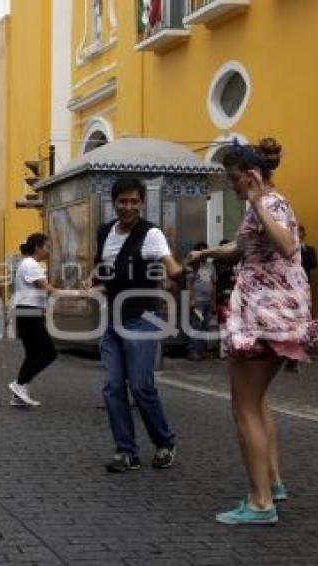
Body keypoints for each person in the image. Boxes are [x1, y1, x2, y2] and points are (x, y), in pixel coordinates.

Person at [187, 138, 318, 526]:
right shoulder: (261, 208)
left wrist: (258, 202)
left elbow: (286, 245)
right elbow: (244, 248)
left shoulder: (272, 203)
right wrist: (208, 254)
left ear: (249, 176)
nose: (231, 187)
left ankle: (260, 502)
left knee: (243, 407)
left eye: (233, 180)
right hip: (267, 315)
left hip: (265, 318)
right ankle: (273, 482)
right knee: (257, 401)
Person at [82, 177, 182, 473]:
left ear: (141, 203)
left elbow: (170, 264)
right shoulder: (105, 232)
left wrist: (179, 272)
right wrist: (93, 278)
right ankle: (126, 451)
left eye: (134, 201)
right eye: (122, 201)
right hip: (113, 319)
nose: (128, 207)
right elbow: (103, 264)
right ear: (114, 202)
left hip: (142, 318)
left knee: (140, 386)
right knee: (113, 387)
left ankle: (165, 442)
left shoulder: (151, 235)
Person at [8, 233, 60, 408]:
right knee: (49, 352)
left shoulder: (27, 264)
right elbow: (47, 289)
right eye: (47, 246)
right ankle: (19, 384)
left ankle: (18, 394)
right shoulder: (31, 265)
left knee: (32, 354)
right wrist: (76, 294)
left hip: (28, 312)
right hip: (28, 312)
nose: (49, 250)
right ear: (38, 247)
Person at [186, 242, 215, 361]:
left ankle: (201, 351)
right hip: (197, 301)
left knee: (205, 326)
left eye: (205, 251)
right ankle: (193, 351)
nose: (204, 254)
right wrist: (191, 300)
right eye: (201, 251)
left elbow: (213, 284)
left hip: (208, 300)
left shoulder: (210, 266)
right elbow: (189, 284)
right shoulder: (193, 266)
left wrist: (214, 302)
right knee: (196, 326)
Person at [214, 239, 236, 360]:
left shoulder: (236, 263)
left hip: (235, 299)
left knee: (233, 326)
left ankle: (232, 349)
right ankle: (224, 351)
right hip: (222, 299)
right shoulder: (216, 264)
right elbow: (214, 283)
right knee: (223, 325)